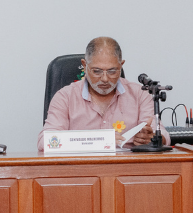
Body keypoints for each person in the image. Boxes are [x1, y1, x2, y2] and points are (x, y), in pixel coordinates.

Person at [38, 36, 168, 151]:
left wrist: (154, 138)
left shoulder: (140, 94)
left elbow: (163, 134)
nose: (105, 79)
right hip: (81, 167)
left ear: (121, 66)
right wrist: (98, 140)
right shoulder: (65, 97)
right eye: (97, 71)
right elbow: (46, 141)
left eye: (112, 71)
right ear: (85, 65)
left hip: (128, 167)